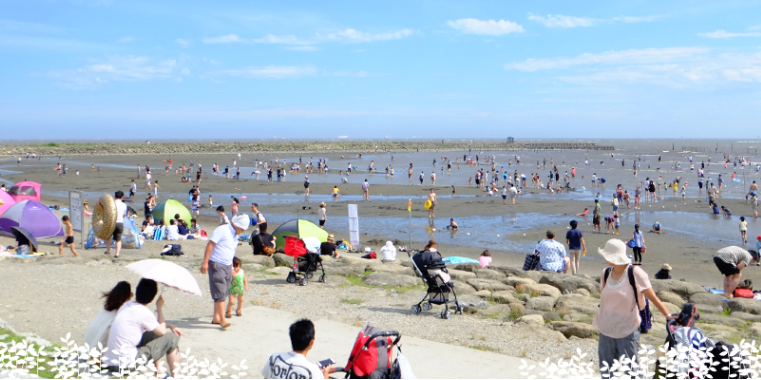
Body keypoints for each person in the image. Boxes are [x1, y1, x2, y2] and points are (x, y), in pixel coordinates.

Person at [593, 239, 675, 378]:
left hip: (628, 330)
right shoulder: (605, 273)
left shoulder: (635, 273)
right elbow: (605, 300)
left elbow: (653, 297)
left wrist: (668, 316)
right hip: (606, 329)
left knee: (632, 370)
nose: (605, 257)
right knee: (606, 372)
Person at [103, 279, 183, 377]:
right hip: (127, 365)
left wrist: (169, 325)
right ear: (153, 297)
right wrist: (159, 308)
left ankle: (159, 372)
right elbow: (162, 332)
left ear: (136, 291)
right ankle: (177, 377)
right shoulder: (144, 312)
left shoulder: (126, 305)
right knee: (171, 338)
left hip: (112, 361)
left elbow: (154, 327)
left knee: (153, 334)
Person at [201, 215, 250, 329]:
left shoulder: (235, 235)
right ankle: (222, 319)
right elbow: (210, 244)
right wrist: (205, 262)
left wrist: (232, 268)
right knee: (220, 291)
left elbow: (230, 251)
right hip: (216, 263)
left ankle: (216, 318)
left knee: (223, 291)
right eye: (242, 229)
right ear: (237, 225)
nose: (242, 231)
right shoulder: (223, 229)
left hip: (228, 265)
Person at [261, 319, 331, 379]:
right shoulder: (313, 370)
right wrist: (325, 374)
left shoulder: (275, 357)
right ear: (311, 342)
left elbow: (266, 377)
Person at [83, 281, 132, 351]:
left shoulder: (104, 312)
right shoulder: (117, 319)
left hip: (88, 349)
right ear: (126, 299)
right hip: (99, 357)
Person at [106, 191, 128, 259]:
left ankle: (108, 250)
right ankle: (117, 253)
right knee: (118, 239)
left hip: (112, 222)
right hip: (120, 223)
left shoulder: (111, 204)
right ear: (122, 197)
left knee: (108, 237)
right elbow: (124, 215)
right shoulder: (124, 205)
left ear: (115, 197)